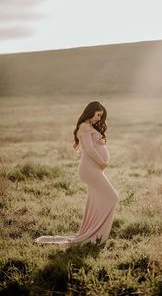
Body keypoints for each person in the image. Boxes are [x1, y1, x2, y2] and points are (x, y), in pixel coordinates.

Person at [34, 101, 119, 246]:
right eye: (98, 114)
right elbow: (89, 150)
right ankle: (95, 234)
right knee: (112, 197)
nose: (99, 118)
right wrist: (102, 163)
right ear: (91, 111)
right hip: (90, 168)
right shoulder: (85, 127)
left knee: (98, 199)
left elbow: (92, 145)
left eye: (101, 116)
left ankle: (95, 234)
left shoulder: (89, 127)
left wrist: (100, 144)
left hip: (93, 169)